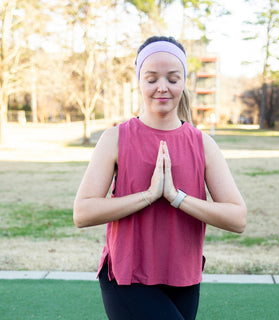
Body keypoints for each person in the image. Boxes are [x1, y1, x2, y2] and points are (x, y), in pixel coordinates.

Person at [73, 35, 247, 320]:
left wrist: (176, 198)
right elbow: (82, 213)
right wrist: (149, 195)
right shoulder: (115, 138)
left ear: (184, 83)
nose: (162, 88)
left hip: (184, 278)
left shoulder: (203, 144)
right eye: (151, 78)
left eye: (173, 78)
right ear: (139, 81)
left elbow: (237, 218)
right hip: (128, 278)